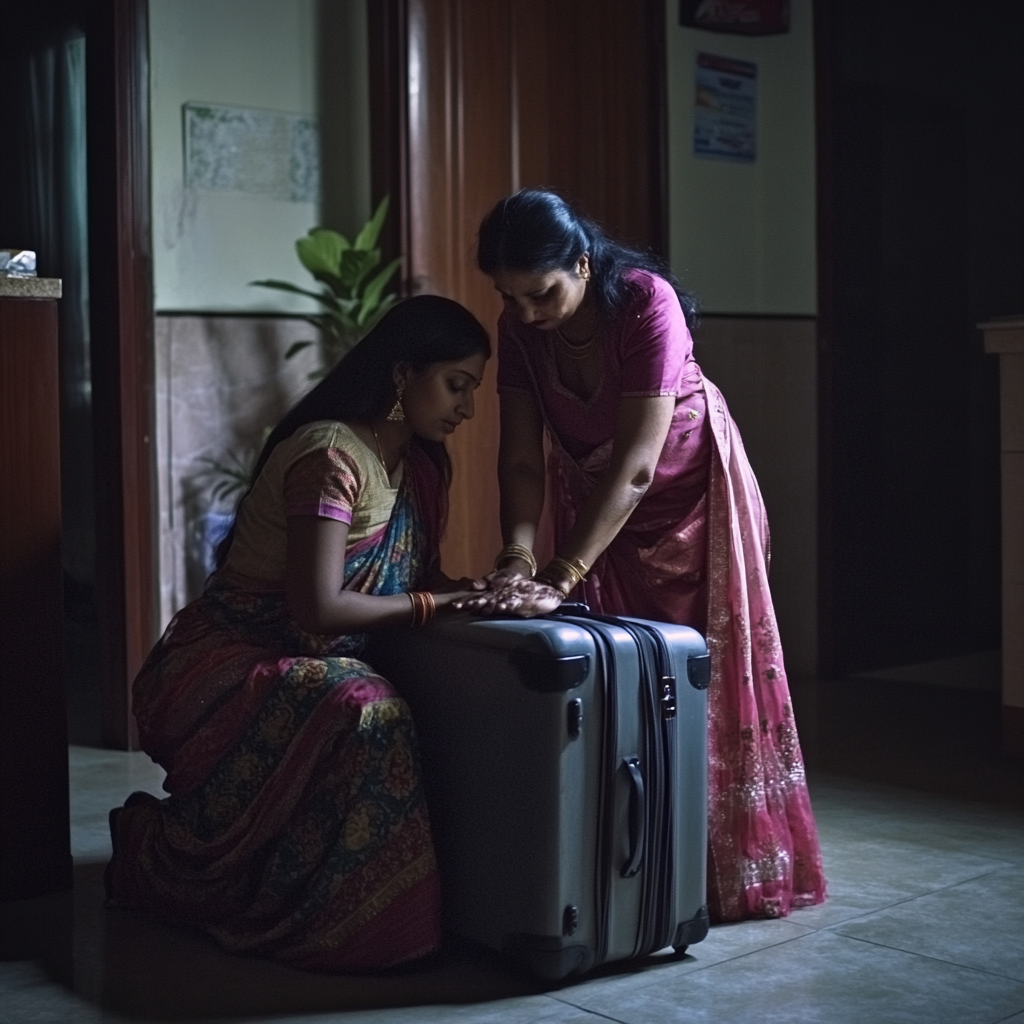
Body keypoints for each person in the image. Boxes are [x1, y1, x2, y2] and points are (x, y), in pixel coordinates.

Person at [465, 188, 827, 922]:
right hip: (598, 508)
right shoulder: (521, 326)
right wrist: (517, 556)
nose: (526, 313)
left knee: (703, 678)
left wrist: (563, 574)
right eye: (509, 297)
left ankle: (720, 872)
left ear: (582, 261)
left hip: (693, 506)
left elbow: (635, 465)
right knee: (622, 686)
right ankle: (635, 863)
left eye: (541, 294)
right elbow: (522, 458)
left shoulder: (643, 303)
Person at [105, 295, 491, 971]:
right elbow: (318, 609)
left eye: (473, 390)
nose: (466, 406)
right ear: (403, 374)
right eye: (456, 385)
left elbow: (413, 580)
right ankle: (318, 912)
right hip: (231, 656)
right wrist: (437, 603)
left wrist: (477, 598)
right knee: (370, 711)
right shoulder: (331, 455)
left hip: (325, 659)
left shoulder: (424, 467)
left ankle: (339, 898)